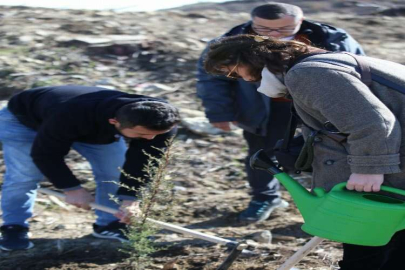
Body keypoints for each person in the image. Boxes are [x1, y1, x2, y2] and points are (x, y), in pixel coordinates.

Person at [203, 34, 405, 269]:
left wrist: (370, 169)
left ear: (247, 59)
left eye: (233, 72)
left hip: (389, 167)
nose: (240, 79)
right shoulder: (331, 62)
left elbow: (373, 122)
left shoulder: (307, 73)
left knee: (367, 238)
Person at [196, 2, 365, 223]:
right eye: (264, 29)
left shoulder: (332, 38)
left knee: (330, 154)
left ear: (300, 21)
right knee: (261, 155)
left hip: (320, 107)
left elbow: (358, 69)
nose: (274, 34)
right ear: (252, 22)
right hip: (263, 109)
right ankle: (265, 198)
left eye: (284, 29)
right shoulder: (233, 41)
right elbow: (212, 78)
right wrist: (219, 112)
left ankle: (333, 202)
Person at [0, 85, 180, 251]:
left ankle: (110, 224)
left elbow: (144, 162)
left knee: (114, 171)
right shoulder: (69, 114)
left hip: (92, 128)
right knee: (25, 176)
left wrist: (130, 199)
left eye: (155, 135)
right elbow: (45, 154)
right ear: (114, 121)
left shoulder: (161, 122)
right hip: (24, 121)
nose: (150, 139)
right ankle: (14, 226)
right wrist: (72, 188)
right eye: (142, 134)